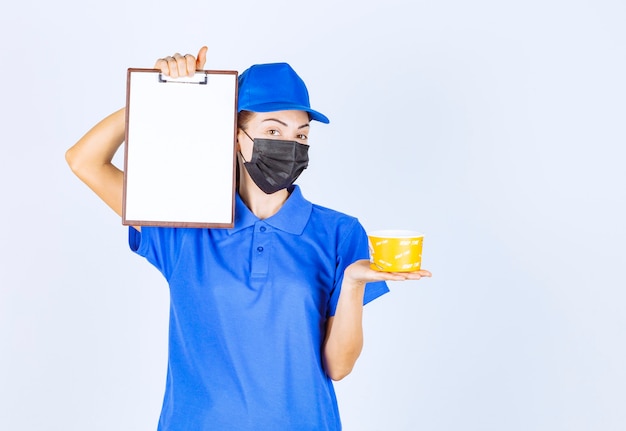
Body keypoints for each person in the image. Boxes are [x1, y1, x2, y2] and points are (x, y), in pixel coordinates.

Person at [65, 46, 431, 431]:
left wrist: (353, 284)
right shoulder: (185, 224)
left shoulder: (339, 232)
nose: (290, 146)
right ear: (235, 136)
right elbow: (84, 160)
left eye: (301, 135)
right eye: (273, 130)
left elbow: (338, 367)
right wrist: (157, 95)